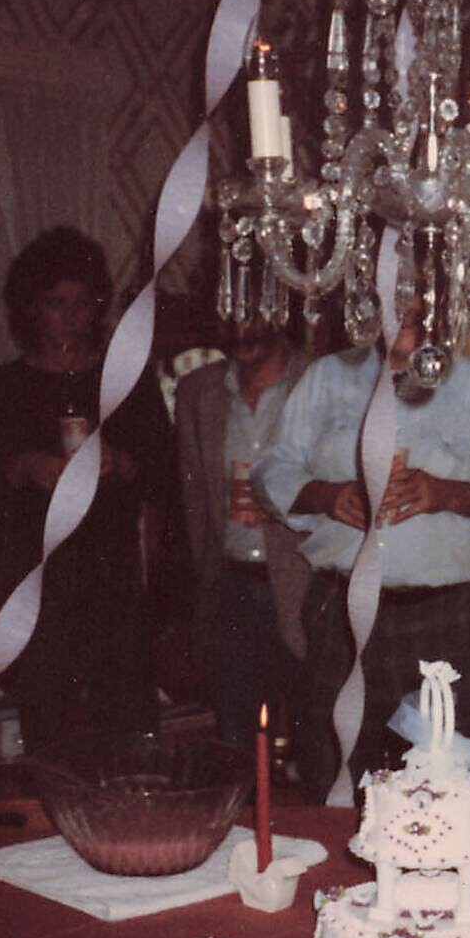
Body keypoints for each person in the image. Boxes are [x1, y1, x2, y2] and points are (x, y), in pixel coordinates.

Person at [255, 312, 470, 799]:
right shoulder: (328, 377)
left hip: (441, 617)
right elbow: (271, 472)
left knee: (445, 782)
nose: (403, 302)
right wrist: (325, 495)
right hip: (340, 610)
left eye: (416, 292)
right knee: (332, 773)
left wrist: (447, 493)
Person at [0, 226, 170, 752]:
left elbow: (164, 476)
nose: (70, 317)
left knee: (129, 728)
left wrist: (122, 463)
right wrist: (23, 467)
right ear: (29, 309)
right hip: (36, 582)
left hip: (111, 577)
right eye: (55, 304)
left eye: (82, 304)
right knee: (51, 731)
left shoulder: (125, 381)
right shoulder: (0, 389)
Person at [175, 321, 311, 762]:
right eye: (228, 311)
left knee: (317, 743)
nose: (240, 326)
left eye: (253, 310)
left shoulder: (319, 381)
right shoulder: (199, 391)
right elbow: (195, 504)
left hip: (307, 587)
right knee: (237, 745)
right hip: (231, 588)